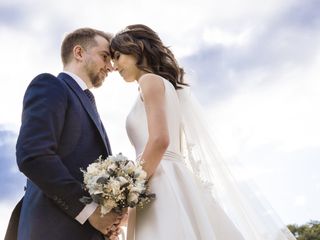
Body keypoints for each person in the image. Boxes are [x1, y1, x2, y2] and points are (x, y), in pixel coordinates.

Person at [110, 24, 297, 240]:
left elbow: (160, 140)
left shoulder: (149, 81)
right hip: (169, 176)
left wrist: (129, 190)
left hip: (160, 181)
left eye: (117, 56)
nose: (114, 65)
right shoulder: (167, 87)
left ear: (137, 48)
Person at [7, 28, 123, 240]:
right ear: (79, 53)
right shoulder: (51, 85)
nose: (110, 67)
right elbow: (33, 156)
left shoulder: (90, 105)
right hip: (53, 229)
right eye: (105, 56)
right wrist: (90, 212)